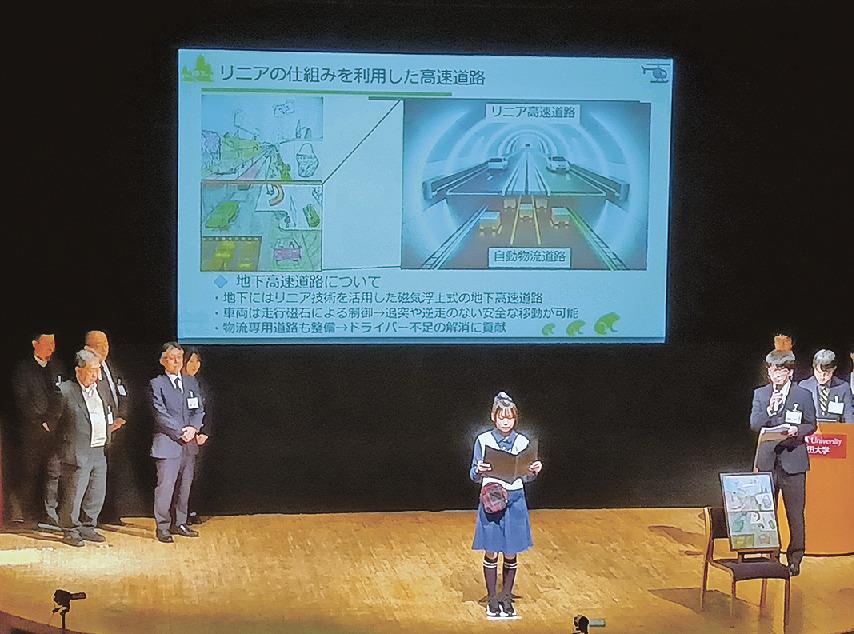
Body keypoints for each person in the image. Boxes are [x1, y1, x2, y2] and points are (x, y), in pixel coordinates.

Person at [470, 392, 542, 618]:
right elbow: (473, 473)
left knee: (511, 551)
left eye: (509, 418)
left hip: (515, 499)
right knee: (491, 550)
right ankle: (492, 598)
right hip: (493, 500)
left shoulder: (522, 442)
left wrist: (534, 470)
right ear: (494, 417)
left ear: (515, 419)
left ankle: (506, 597)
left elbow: (527, 476)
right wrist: (479, 470)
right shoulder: (484, 440)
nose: (505, 422)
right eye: (501, 417)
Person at [750, 348, 816, 576]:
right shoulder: (761, 394)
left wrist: (797, 431)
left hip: (793, 461)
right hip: (768, 461)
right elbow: (755, 424)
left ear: (790, 372)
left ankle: (795, 557)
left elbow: (811, 424)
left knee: (795, 513)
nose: (776, 375)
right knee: (766, 511)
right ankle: (771, 554)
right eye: (772, 371)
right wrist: (770, 409)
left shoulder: (802, 395)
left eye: (780, 371)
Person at [50, 349, 124, 547]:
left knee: (96, 493)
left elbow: (108, 412)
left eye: (98, 370)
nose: (96, 375)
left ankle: (88, 526)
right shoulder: (65, 391)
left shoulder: (101, 389)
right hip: (76, 451)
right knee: (74, 494)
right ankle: (70, 530)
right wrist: (65, 446)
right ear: (78, 370)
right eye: (92, 370)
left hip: (99, 449)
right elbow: (53, 423)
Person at [10, 331, 66, 528]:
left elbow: (62, 394)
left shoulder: (57, 366)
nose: (51, 348)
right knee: (30, 474)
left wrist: (53, 420)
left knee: (54, 473)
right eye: (47, 343)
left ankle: (51, 513)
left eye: (53, 344)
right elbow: (22, 399)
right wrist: (40, 420)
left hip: (55, 431)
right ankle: (27, 515)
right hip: (31, 432)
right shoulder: (23, 368)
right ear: (35, 344)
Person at [150, 342, 205, 543]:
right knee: (166, 488)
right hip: (168, 444)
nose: (176, 361)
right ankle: (163, 526)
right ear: (163, 361)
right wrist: (181, 431)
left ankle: (180, 522)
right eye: (171, 358)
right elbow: (159, 413)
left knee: (185, 487)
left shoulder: (191, 382)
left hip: (189, 445)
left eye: (179, 358)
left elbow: (199, 409)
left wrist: (193, 428)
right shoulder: (157, 383)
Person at [84, 330, 130, 523]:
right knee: (94, 475)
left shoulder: (110, 366)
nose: (104, 349)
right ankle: (91, 516)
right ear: (88, 348)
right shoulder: (87, 369)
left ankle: (110, 512)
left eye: (106, 344)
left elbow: (123, 392)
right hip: (98, 431)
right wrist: (106, 423)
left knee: (113, 473)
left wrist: (121, 417)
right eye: (99, 345)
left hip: (117, 429)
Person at [182, 347, 210, 524]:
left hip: (199, 438)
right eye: (191, 361)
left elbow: (209, 410)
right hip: (182, 437)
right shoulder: (176, 383)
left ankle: (192, 510)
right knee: (179, 478)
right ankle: (178, 514)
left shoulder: (202, 385)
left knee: (195, 476)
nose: (195, 365)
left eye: (197, 361)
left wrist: (204, 432)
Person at [798, 349, 853, 423]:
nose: (822, 376)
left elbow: (849, 416)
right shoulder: (804, 386)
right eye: (818, 372)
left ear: (834, 369)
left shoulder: (843, 387)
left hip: (835, 428)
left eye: (826, 373)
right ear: (813, 367)